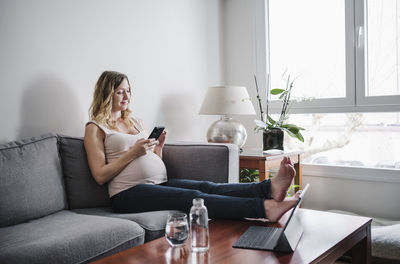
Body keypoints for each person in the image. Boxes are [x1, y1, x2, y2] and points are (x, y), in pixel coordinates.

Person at [84, 70, 299, 222]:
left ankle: (268, 188)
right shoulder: (95, 128)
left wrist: (157, 149)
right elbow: (100, 175)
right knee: (191, 198)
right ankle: (265, 208)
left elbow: (151, 160)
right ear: (106, 92)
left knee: (206, 187)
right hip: (126, 195)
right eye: (120, 91)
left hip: (157, 183)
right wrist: (133, 153)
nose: (127, 96)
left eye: (128, 90)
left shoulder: (136, 122)